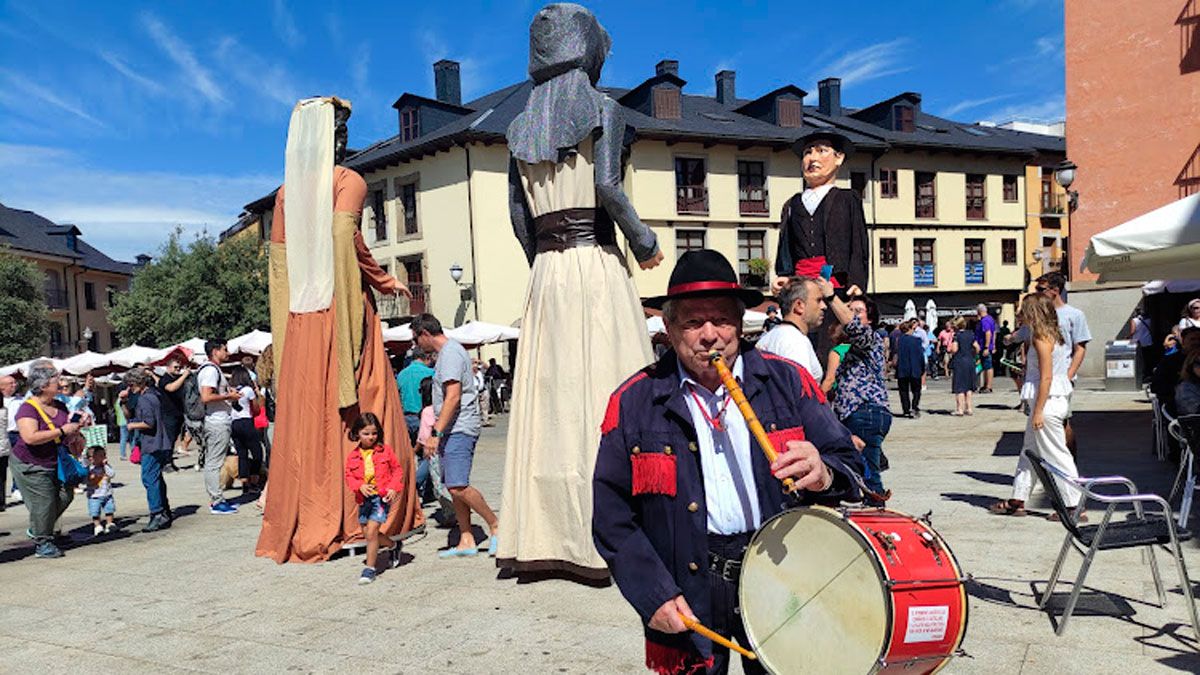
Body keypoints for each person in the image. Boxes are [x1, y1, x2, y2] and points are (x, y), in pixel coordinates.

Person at [593, 249, 862, 675]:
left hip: (782, 574)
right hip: (687, 582)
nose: (710, 335)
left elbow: (848, 463)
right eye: (693, 322)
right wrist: (653, 593)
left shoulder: (787, 380)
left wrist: (823, 472)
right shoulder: (633, 401)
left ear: (740, 323)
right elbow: (611, 517)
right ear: (669, 328)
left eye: (721, 320)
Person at [501, 3, 662, 581]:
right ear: (590, 49)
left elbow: (518, 217)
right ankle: (615, 532)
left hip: (547, 273)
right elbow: (607, 187)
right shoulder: (604, 109)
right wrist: (644, 242)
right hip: (594, 263)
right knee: (608, 392)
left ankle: (545, 536)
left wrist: (543, 266)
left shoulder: (518, 128)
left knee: (551, 404)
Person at [257, 97, 422, 564]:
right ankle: (362, 521)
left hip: (300, 319)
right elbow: (346, 239)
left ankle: (308, 518)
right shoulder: (348, 180)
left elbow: (280, 265)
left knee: (309, 415)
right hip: (340, 312)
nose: (345, 142)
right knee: (368, 404)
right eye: (339, 133)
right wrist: (383, 279)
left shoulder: (287, 192)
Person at [413, 313, 500, 559]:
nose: (415, 345)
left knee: (458, 484)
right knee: (453, 486)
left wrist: (436, 433)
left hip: (459, 426)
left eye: (416, 339)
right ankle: (466, 538)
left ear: (425, 334)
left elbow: (453, 396)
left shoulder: (450, 354)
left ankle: (496, 525)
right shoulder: (448, 353)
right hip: (453, 427)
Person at [992, 293, 1082, 520]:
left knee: (1056, 455)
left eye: (1024, 310)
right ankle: (1018, 498)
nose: (1020, 313)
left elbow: (1046, 378)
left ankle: (1073, 505)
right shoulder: (1051, 335)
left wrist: (1039, 410)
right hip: (1048, 401)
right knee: (1029, 451)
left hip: (1047, 404)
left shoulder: (1042, 339)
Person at [826, 282, 892, 506]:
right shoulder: (856, 347)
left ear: (870, 319)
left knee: (867, 475)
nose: (852, 315)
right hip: (864, 413)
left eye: (858, 312)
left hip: (864, 412)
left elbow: (854, 328)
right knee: (861, 469)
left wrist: (831, 297)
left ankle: (876, 511)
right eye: (849, 310)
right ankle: (872, 506)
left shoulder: (870, 338)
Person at [11, 361, 82, 558]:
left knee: (66, 494)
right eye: (55, 380)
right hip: (30, 463)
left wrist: (76, 430)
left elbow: (66, 432)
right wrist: (60, 430)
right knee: (44, 502)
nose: (60, 382)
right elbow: (30, 437)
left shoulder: (59, 404)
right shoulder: (27, 409)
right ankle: (43, 542)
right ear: (43, 386)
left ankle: (39, 527)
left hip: (55, 460)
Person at [343, 412, 404, 584]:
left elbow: (397, 470)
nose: (371, 437)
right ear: (357, 434)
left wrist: (393, 487)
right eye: (366, 433)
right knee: (369, 534)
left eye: (374, 433)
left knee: (371, 531)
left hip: (381, 498)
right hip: (364, 499)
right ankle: (393, 545)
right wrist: (359, 486)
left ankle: (369, 569)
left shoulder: (386, 452)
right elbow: (349, 476)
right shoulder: (353, 456)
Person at [125, 367, 173, 532]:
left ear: (138, 383)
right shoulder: (155, 395)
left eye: (131, 385)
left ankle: (156, 513)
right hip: (161, 442)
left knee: (149, 478)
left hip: (151, 443)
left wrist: (132, 425)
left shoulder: (144, 399)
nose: (130, 388)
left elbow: (148, 423)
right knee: (157, 478)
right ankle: (164, 511)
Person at [197, 341, 241, 515]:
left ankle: (216, 498)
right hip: (217, 421)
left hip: (216, 420)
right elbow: (206, 397)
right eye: (224, 349)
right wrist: (228, 395)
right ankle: (216, 500)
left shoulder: (211, 370)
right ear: (215, 351)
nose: (227, 353)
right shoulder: (210, 370)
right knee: (214, 462)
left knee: (213, 461)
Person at [755, 276, 826, 380]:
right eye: (818, 300)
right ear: (799, 305)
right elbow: (800, 390)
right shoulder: (794, 342)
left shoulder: (768, 337)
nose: (824, 306)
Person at [229, 366, 264, 494]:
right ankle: (254, 482)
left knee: (242, 454)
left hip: (234, 423)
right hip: (246, 422)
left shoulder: (231, 390)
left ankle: (244, 483)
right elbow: (256, 409)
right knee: (257, 453)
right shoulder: (248, 390)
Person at [397, 348, 436, 445]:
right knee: (425, 453)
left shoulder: (401, 374)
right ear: (427, 358)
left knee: (409, 451)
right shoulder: (431, 373)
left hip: (405, 417)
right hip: (425, 417)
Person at [949, 316, 979, 416]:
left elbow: (954, 349)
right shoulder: (971, 334)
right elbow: (977, 347)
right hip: (970, 361)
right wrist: (973, 354)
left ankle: (960, 409)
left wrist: (951, 349)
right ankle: (969, 408)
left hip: (960, 361)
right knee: (969, 386)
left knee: (960, 386)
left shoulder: (957, 336)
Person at [895, 320, 925, 418]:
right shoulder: (917, 340)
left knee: (903, 390)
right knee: (916, 390)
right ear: (910, 329)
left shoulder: (898, 340)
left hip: (902, 368)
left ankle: (906, 409)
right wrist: (923, 368)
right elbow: (920, 355)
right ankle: (914, 407)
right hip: (915, 368)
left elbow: (894, 353)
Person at [85, 445, 116, 536]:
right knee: (95, 512)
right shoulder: (89, 469)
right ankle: (97, 525)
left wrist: (105, 465)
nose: (104, 458)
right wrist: (90, 478)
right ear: (91, 458)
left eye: (104, 455)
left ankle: (109, 523)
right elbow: (84, 480)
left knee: (109, 510)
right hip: (94, 495)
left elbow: (112, 474)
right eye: (100, 456)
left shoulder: (106, 467)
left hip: (107, 493)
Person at [820, 323, 849, 395]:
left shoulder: (837, 352)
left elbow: (830, 379)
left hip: (843, 394)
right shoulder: (858, 348)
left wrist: (819, 396)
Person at [0, 374, 16, 510]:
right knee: (2, 473)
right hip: (4, 443)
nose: (14, 385)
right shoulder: (3, 410)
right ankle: (1, 501)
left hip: (8, 439)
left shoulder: (19, 400)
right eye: (10, 383)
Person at [975, 304, 997, 393]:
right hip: (988, 346)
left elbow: (988, 333)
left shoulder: (985, 321)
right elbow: (994, 332)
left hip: (985, 346)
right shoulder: (990, 319)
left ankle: (988, 386)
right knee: (985, 366)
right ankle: (986, 385)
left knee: (988, 366)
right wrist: (993, 344)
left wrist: (986, 347)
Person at [1177, 350, 1200, 416]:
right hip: (1194, 423)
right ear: (1190, 366)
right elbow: (1195, 410)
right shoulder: (1185, 388)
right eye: (1198, 363)